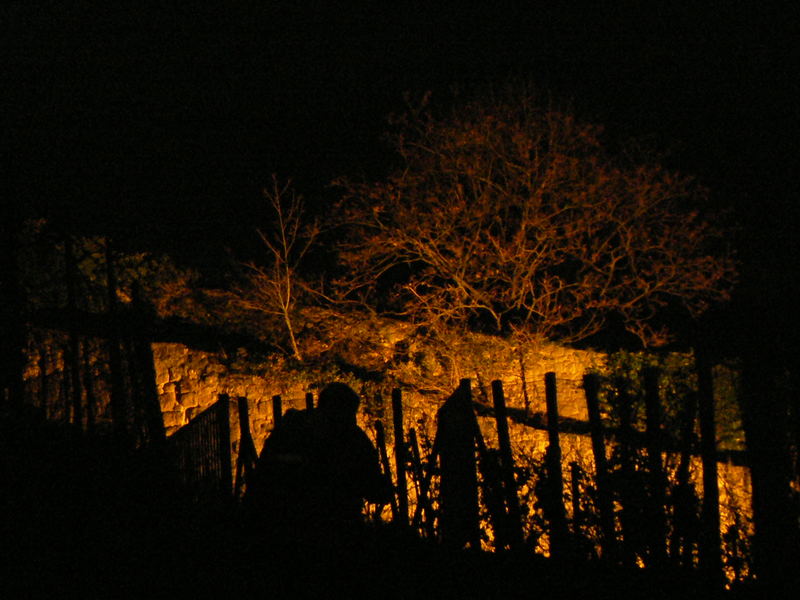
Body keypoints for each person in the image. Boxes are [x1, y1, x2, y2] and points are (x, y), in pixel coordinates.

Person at [245, 383, 391, 549]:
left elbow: (264, 472)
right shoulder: (352, 439)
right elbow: (372, 485)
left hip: (280, 524)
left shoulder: (292, 428)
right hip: (333, 528)